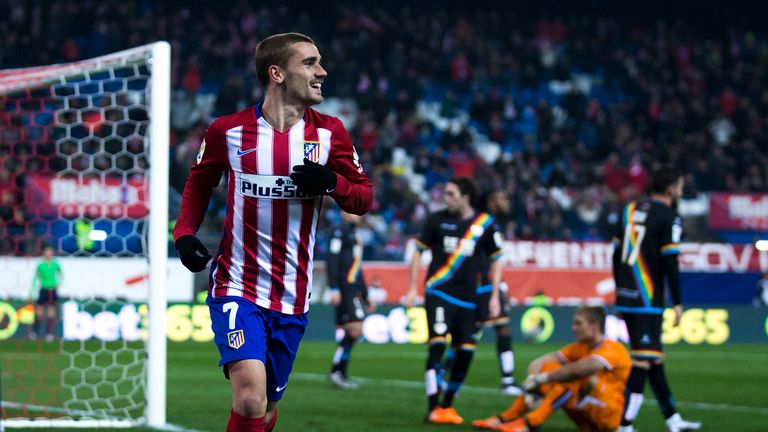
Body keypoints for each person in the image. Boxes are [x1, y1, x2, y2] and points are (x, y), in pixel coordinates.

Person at [172, 32, 373, 432]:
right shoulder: (227, 132)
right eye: (311, 63)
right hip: (236, 285)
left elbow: (363, 199)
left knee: (263, 408)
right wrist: (184, 232)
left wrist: (332, 183)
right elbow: (199, 180)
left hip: (292, 295)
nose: (322, 71)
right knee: (248, 398)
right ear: (277, 73)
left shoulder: (330, 133)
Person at [405, 177, 504, 425]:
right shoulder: (436, 220)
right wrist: (411, 289)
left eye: (450, 194)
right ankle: (432, 408)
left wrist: (493, 296)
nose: (445, 198)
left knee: (466, 353)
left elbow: (497, 258)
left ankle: (447, 406)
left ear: (465, 195)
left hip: (469, 299)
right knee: (437, 345)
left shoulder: (485, 224)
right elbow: (417, 252)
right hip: (439, 291)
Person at [612, 165, 700, 432]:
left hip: (627, 292)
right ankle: (624, 425)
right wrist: (677, 302)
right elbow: (670, 261)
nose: (681, 192)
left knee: (654, 359)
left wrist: (620, 289)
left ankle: (673, 420)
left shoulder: (628, 210)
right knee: (641, 359)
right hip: (647, 296)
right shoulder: (669, 216)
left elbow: (615, 253)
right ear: (672, 188)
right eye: (681, 187)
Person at [472, 306, 631, 432]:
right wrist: (531, 386)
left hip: (607, 417)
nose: (573, 328)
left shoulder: (613, 349)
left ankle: (530, 423)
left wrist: (542, 379)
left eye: (578, 323)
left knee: (570, 375)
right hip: (586, 415)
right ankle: (507, 417)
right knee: (552, 368)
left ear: (595, 326)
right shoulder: (580, 347)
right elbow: (540, 362)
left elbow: (581, 369)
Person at [326, 209, 372, 390]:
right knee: (354, 330)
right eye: (354, 212)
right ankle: (338, 371)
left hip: (353, 289)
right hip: (344, 289)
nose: (359, 215)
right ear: (343, 213)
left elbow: (357, 269)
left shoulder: (354, 235)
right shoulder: (339, 231)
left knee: (352, 331)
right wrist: (334, 288)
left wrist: (366, 295)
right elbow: (332, 260)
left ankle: (338, 371)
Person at [29, 245, 63, 342]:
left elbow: (61, 274)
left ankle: (49, 334)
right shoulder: (41, 265)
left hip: (52, 290)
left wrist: (59, 284)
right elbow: (35, 278)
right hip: (43, 289)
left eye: (50, 251)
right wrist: (31, 291)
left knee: (51, 313)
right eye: (47, 251)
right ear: (44, 253)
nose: (49, 253)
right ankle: (34, 333)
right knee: (38, 312)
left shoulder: (55, 264)